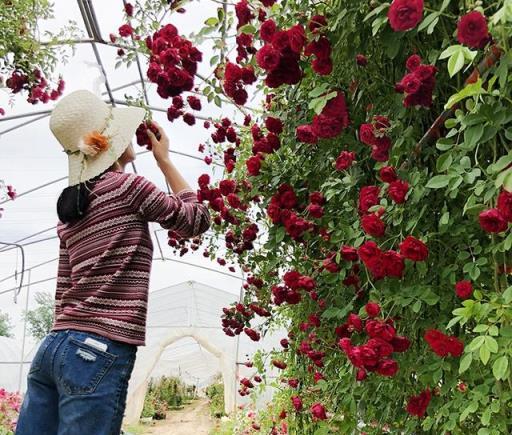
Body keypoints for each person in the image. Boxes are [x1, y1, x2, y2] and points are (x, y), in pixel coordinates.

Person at [15, 90, 211, 435]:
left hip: (53, 349)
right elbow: (196, 219)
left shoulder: (70, 210)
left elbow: (64, 289)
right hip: (96, 350)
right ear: (111, 143)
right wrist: (164, 160)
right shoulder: (127, 187)